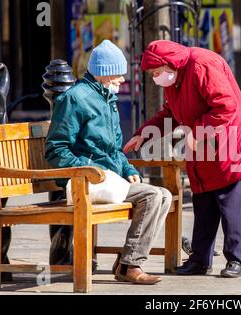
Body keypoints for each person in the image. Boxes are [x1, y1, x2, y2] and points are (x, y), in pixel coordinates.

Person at [124, 40, 241, 278]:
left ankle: (237, 260)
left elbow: (225, 106)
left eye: (156, 72)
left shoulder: (203, 64)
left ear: (169, 64)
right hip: (201, 147)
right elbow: (170, 112)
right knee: (203, 203)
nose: (155, 78)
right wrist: (144, 133)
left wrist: (198, 130)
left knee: (229, 204)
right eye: (152, 74)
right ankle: (200, 260)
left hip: (228, 143)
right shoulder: (174, 78)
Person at [45, 40, 171, 285]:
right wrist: (89, 170)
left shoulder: (106, 98)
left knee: (164, 195)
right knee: (153, 196)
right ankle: (130, 265)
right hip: (84, 182)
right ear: (104, 73)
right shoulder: (75, 99)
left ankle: (127, 260)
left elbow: (113, 149)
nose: (122, 80)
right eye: (118, 74)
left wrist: (127, 168)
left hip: (108, 179)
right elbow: (56, 149)